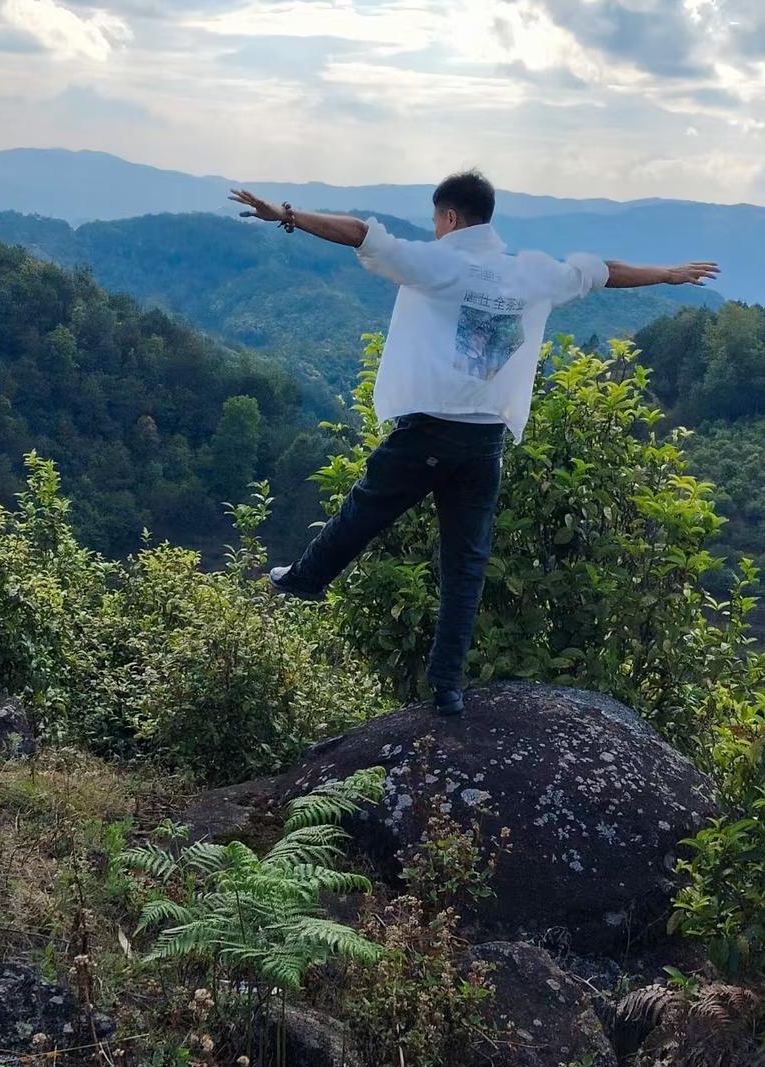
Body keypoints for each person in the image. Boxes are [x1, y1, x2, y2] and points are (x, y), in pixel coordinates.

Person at [229, 171, 719, 717]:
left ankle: (305, 579)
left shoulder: (442, 263)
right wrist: (669, 275)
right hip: (486, 441)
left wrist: (288, 215)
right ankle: (448, 687)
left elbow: (363, 234)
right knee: (466, 563)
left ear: (451, 218)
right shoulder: (532, 273)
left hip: (429, 430)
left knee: (364, 511)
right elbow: (603, 271)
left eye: (437, 220)